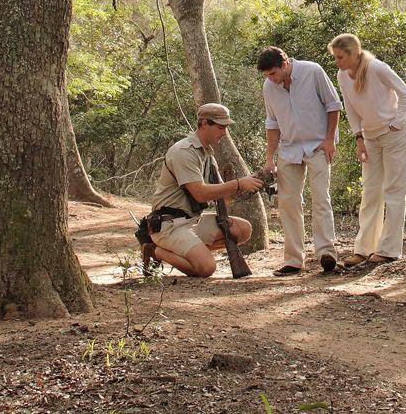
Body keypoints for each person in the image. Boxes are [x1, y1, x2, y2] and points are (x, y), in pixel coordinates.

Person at [141, 103, 262, 278]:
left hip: (193, 221)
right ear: (204, 123)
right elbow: (200, 193)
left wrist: (250, 186)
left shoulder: (207, 154)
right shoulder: (184, 151)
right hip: (170, 225)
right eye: (221, 127)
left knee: (242, 229)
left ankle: (190, 251)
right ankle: (154, 250)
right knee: (206, 268)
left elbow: (224, 198)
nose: (224, 133)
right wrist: (238, 183)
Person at [257, 46, 343, 274]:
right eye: (266, 76)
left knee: (320, 198)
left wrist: (329, 140)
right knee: (288, 201)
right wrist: (270, 158)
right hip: (289, 148)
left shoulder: (312, 71)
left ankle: (326, 252)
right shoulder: (269, 87)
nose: (271, 79)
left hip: (317, 145)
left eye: (273, 74)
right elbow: (272, 123)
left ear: (284, 64)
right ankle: (294, 260)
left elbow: (333, 105)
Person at [330, 32, 406, 267]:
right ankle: (364, 249)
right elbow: (350, 107)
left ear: (353, 54)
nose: (337, 62)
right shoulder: (342, 75)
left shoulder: (377, 68)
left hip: (394, 136)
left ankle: (389, 250)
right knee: (370, 192)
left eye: (340, 57)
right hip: (369, 137)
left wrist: (397, 122)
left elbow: (404, 92)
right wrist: (359, 137)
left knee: (394, 190)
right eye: (335, 57)